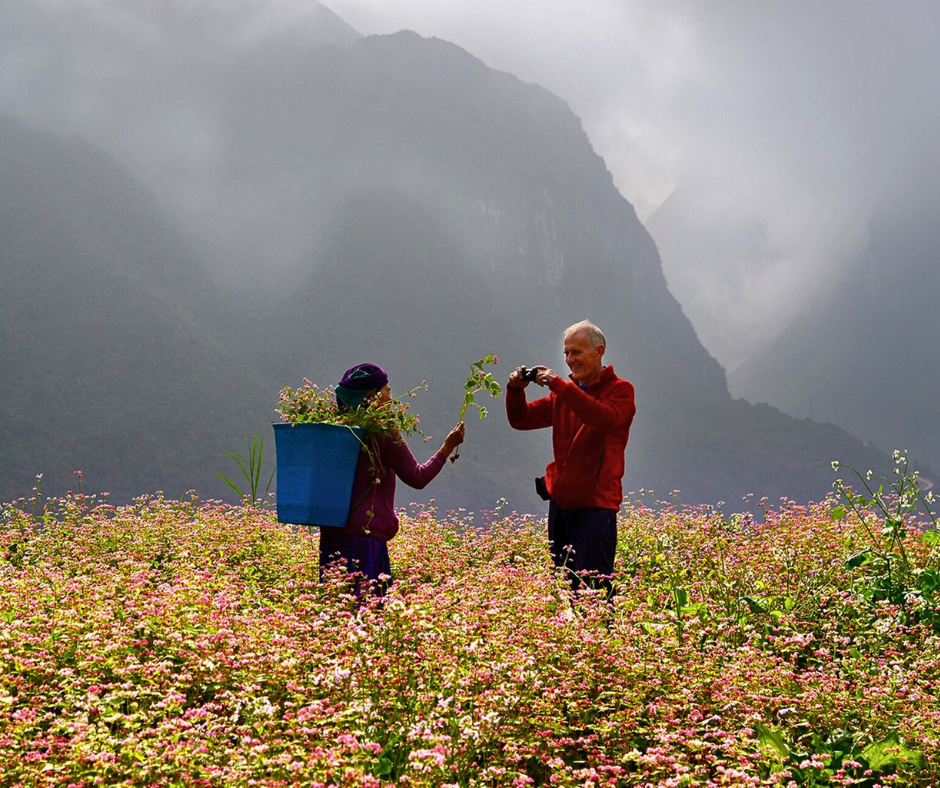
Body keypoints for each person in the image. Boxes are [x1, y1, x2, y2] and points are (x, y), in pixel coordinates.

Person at [505, 321, 636, 598]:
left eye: (576, 352)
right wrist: (515, 391)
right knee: (565, 591)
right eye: (566, 353)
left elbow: (603, 419)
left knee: (594, 594)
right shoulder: (564, 393)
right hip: (561, 507)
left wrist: (560, 386)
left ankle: (604, 639)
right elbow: (521, 419)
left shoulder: (621, 391)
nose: (569, 360)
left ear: (599, 351)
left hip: (595, 509)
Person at [319, 362, 465, 596]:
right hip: (366, 542)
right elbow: (417, 477)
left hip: (332, 538)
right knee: (366, 616)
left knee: (335, 612)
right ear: (372, 397)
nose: (390, 399)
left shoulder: (333, 430)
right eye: (387, 392)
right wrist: (448, 446)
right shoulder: (383, 432)